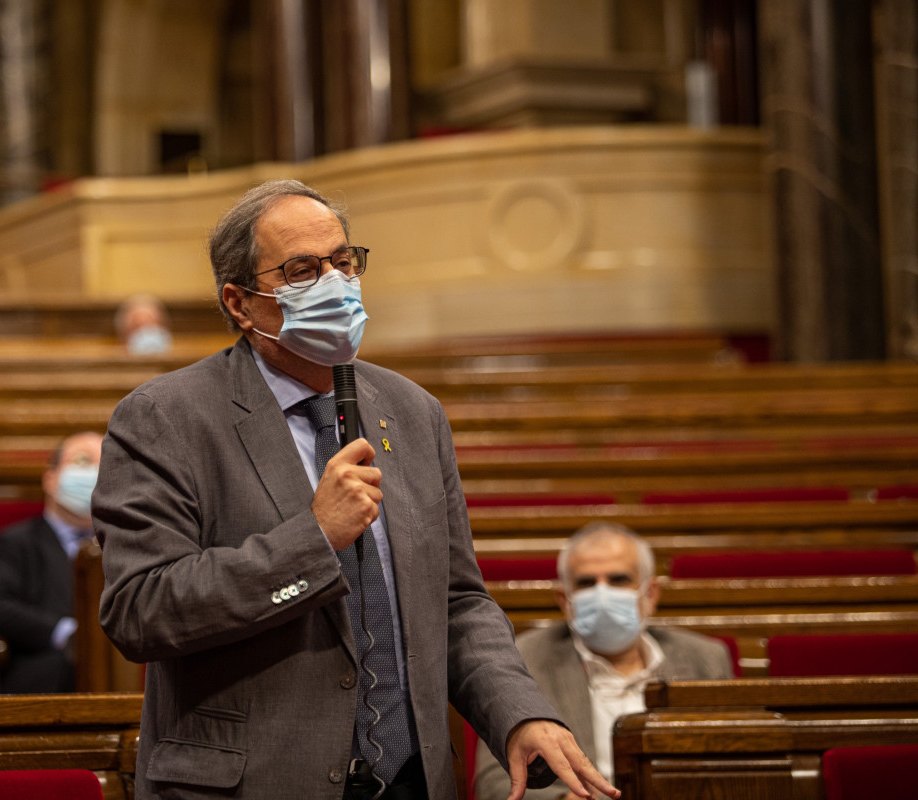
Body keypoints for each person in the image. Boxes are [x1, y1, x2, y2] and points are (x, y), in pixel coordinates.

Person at [92, 179, 619, 800]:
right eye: (302, 269)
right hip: (255, 783)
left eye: (343, 261)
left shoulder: (412, 411)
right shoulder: (166, 417)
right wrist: (312, 539)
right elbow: (139, 612)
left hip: (411, 780)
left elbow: (456, 603)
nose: (334, 282)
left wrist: (519, 712)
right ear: (240, 302)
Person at [474, 522, 734, 800]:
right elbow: (494, 783)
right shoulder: (524, 659)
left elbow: (735, 764)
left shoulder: (704, 658)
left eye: (618, 580)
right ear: (565, 599)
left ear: (651, 593)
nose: (602, 594)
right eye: (586, 583)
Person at [0, 431, 102, 693]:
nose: (96, 473)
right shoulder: (15, 542)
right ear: (50, 478)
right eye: (82, 461)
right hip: (47, 677)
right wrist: (66, 633)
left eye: (106, 464)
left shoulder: (130, 544)